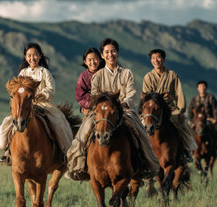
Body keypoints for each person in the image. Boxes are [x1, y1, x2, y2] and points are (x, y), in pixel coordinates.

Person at [66, 38, 160, 180]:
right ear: (103, 55)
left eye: (113, 51)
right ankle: (77, 165)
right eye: (107, 52)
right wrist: (101, 106)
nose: (110, 54)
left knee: (138, 129)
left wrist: (125, 103)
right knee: (83, 132)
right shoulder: (97, 76)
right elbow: (94, 95)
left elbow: (132, 92)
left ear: (117, 53)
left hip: (123, 110)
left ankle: (147, 163)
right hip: (101, 112)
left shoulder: (127, 73)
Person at [0, 43, 73, 165]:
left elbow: (51, 89)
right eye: (29, 55)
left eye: (35, 54)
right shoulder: (23, 73)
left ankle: (64, 153)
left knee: (58, 124)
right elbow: (17, 90)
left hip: (43, 105)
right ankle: (7, 151)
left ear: (40, 56)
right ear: (25, 57)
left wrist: (42, 94)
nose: (32, 58)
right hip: (25, 106)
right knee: (9, 122)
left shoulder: (44, 72)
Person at [141, 49, 196, 163]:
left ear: (164, 59)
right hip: (153, 109)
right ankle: (141, 155)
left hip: (170, 108)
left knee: (183, 126)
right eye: (153, 58)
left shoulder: (172, 75)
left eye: (158, 57)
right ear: (151, 61)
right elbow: (146, 97)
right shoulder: (148, 77)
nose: (156, 60)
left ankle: (185, 151)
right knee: (141, 127)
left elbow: (179, 94)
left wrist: (181, 110)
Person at [188, 80, 217, 157]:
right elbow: (190, 110)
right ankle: (189, 149)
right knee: (188, 131)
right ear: (197, 88)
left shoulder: (211, 98)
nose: (202, 88)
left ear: (206, 88)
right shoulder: (194, 99)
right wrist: (190, 119)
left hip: (209, 119)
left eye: (204, 86)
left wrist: (215, 118)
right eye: (200, 87)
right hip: (197, 120)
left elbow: (216, 108)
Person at [75, 48, 104, 116]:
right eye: (89, 60)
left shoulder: (105, 73)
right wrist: (89, 105)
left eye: (95, 59)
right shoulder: (83, 76)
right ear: (85, 62)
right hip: (90, 109)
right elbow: (80, 96)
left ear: (100, 59)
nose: (93, 62)